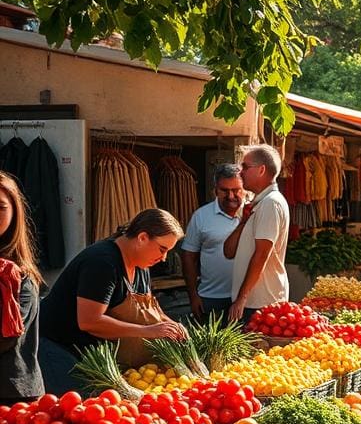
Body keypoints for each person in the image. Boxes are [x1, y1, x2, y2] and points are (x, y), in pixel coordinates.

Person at [40, 209, 187, 392]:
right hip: (56, 345)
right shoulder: (102, 263)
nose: (164, 258)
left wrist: (173, 326)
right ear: (142, 238)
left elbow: (149, 308)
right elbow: (89, 321)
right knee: (76, 407)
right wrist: (147, 331)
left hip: (90, 353)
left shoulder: (142, 264)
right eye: (162, 249)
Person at [224, 144, 289, 323]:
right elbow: (228, 252)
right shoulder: (258, 203)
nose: (240, 172)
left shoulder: (270, 203)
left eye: (245, 167)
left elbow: (262, 254)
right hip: (252, 302)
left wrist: (242, 298)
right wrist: (243, 222)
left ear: (261, 170)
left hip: (261, 303)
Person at [0, 173, 43, 404]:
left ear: (15, 212)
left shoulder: (19, 274)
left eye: (0, 207)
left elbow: (5, 337)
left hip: (12, 396)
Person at [181, 164, 244, 319]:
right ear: (215, 190)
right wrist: (193, 296)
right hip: (210, 298)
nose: (230, 196)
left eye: (236, 190)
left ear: (245, 189)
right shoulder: (201, 216)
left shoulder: (254, 214)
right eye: (224, 190)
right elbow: (188, 256)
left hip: (246, 299)